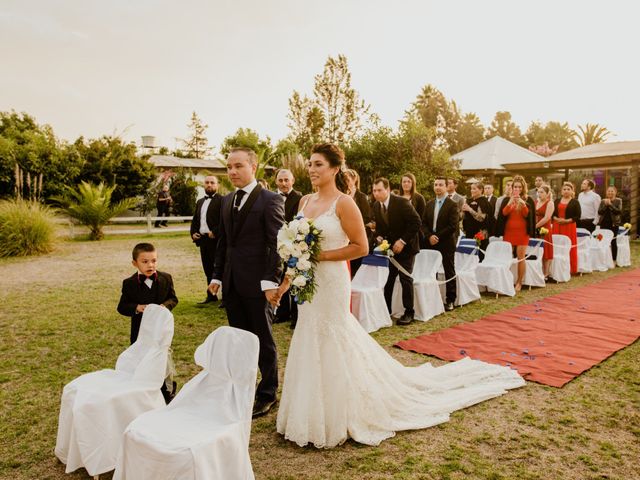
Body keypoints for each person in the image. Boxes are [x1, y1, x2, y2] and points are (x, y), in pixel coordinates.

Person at [276, 143, 525, 449]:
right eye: (310, 164)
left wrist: (320, 256)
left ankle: (339, 411)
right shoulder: (303, 201)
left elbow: (360, 247)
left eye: (318, 165)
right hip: (310, 281)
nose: (312, 170)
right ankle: (309, 410)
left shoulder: (344, 203)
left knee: (332, 335)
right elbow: (297, 246)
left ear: (334, 169)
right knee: (309, 333)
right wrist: (287, 281)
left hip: (331, 279)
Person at [207, 147, 285, 418]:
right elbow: (224, 242)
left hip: (258, 284)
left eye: (238, 166)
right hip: (231, 282)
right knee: (239, 340)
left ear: (254, 166)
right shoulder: (227, 201)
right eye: (229, 166)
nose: (232, 171)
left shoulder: (270, 200)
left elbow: (277, 244)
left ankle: (267, 393)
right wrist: (217, 275)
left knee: (263, 339)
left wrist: (270, 280)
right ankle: (243, 388)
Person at [117, 242, 178, 403]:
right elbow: (122, 307)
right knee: (141, 360)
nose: (150, 265)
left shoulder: (166, 278)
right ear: (134, 263)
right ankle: (142, 391)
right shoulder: (129, 283)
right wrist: (137, 307)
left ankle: (166, 391)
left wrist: (164, 306)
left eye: (154, 260)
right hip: (140, 332)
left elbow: (173, 298)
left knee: (161, 360)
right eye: (145, 262)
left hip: (160, 331)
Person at [372, 177, 422, 325]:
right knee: (388, 279)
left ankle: (409, 312)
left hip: (407, 247)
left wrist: (402, 241)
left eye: (379, 190)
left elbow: (416, 222)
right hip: (390, 250)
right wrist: (379, 236)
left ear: (387, 190)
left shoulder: (401, 202)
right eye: (374, 191)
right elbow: (381, 227)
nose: (376, 193)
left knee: (405, 279)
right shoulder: (376, 205)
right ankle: (385, 311)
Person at [423, 177, 459, 311]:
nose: (438, 187)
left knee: (449, 270)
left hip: (446, 242)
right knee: (431, 271)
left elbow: (452, 226)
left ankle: (450, 299)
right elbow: (424, 223)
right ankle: (433, 298)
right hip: (430, 242)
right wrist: (429, 236)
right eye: (436, 184)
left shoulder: (452, 204)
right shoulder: (429, 204)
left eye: (441, 185)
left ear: (446, 187)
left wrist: (437, 236)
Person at [495, 175, 536, 292]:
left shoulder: (528, 200)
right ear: (512, 188)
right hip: (509, 232)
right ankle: (506, 280)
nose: (517, 189)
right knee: (507, 256)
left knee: (520, 257)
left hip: (523, 232)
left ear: (523, 188)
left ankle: (519, 282)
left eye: (519, 187)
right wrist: (510, 202)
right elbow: (503, 214)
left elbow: (528, 215)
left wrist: (522, 204)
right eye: (515, 186)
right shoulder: (506, 199)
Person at [274, 169, 303, 327]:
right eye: (281, 180)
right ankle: (282, 313)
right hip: (275, 246)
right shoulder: (270, 197)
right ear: (276, 181)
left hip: (295, 245)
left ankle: (297, 316)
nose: (284, 183)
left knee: (295, 279)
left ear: (293, 181)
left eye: (287, 180)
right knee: (279, 278)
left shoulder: (300, 198)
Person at [190, 175, 222, 304]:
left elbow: (225, 221)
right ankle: (211, 295)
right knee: (207, 268)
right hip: (203, 240)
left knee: (220, 268)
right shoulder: (200, 201)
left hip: (216, 240)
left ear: (217, 185)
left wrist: (215, 232)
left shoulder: (222, 201)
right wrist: (193, 233)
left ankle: (225, 298)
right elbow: (195, 220)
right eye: (207, 182)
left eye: (212, 182)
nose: (209, 185)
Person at [344, 168, 373, 276]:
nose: (345, 181)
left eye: (347, 179)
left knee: (355, 268)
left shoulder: (361, 197)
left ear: (354, 179)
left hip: (357, 236)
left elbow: (367, 216)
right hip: (344, 237)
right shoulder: (342, 195)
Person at [553, 182, 581, 274]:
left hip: (569, 226)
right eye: (564, 189)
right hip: (557, 225)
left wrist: (566, 221)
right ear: (561, 191)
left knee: (569, 246)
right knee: (557, 245)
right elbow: (552, 214)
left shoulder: (575, 202)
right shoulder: (556, 201)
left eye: (568, 189)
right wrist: (556, 219)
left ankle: (571, 268)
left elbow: (577, 216)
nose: (566, 191)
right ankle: (556, 268)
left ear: (572, 191)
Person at [462, 182, 493, 261]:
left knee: (480, 256)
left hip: (481, 232)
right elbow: (463, 217)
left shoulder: (484, 202)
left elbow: (481, 218)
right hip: (469, 231)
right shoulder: (468, 200)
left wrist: (470, 209)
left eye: (474, 189)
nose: (472, 191)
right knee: (469, 255)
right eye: (471, 189)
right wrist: (462, 211)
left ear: (481, 190)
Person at [401, 173, 427, 248]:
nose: (406, 184)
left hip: (415, 235)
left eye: (409, 182)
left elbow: (422, 218)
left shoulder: (419, 198)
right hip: (399, 234)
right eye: (404, 182)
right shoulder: (397, 198)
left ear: (413, 183)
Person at [598, 185, 622, 263]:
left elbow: (618, 212)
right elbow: (600, 212)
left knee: (613, 242)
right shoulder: (603, 201)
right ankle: (603, 259)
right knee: (602, 241)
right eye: (609, 191)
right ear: (606, 192)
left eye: (612, 191)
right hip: (603, 224)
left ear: (615, 192)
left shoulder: (618, 200)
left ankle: (614, 260)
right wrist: (605, 205)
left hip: (614, 224)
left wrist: (610, 205)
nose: (610, 192)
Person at [535, 185, 555, 279]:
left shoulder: (549, 203)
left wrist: (535, 226)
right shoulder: (536, 202)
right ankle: (538, 271)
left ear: (547, 194)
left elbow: (547, 217)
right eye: (538, 192)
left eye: (542, 192)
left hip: (544, 228)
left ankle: (546, 273)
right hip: (536, 227)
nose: (540, 194)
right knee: (538, 249)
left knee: (545, 249)